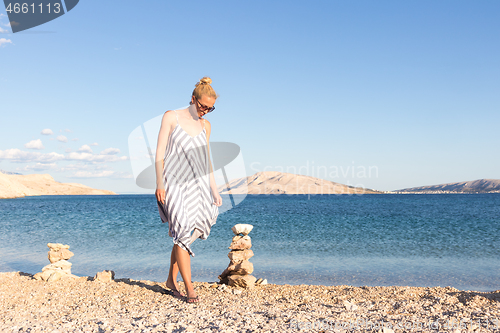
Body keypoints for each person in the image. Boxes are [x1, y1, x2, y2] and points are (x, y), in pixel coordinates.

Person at [155, 77, 223, 303]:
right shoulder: (171, 116)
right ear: (193, 99)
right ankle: (190, 288)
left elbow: (207, 161)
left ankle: (170, 281)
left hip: (198, 185)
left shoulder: (206, 126)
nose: (205, 111)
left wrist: (214, 189)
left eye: (210, 108)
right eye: (203, 106)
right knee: (182, 230)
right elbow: (159, 155)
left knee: (184, 235)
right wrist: (159, 184)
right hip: (173, 183)